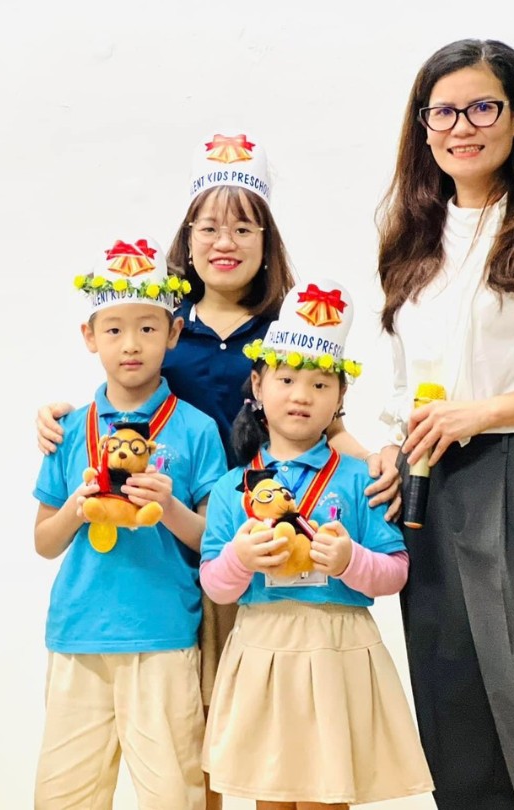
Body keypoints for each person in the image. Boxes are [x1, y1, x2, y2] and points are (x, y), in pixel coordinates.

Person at [34, 132, 401, 807]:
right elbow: (120, 399)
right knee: (198, 735)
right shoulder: (163, 323)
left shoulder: (283, 327)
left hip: (268, 545)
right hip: (179, 559)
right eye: (208, 227)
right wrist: (58, 416)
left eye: (243, 227)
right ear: (187, 238)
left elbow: (326, 422)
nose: (224, 241)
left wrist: (374, 455)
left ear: (267, 240)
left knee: (265, 732)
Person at [375, 38, 514, 809]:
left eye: (482, 107)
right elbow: (405, 383)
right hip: (426, 482)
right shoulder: (413, 236)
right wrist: (391, 444)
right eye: (443, 112)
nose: (461, 126)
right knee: (451, 705)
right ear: (423, 126)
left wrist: (484, 411)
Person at [199, 278, 433, 809]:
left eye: (321, 384)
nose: (301, 395)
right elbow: (216, 585)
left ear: (340, 398)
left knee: (329, 794)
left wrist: (351, 560)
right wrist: (240, 558)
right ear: (257, 385)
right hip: (263, 650)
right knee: (269, 792)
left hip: (336, 651)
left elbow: (396, 570)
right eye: (285, 379)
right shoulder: (233, 487)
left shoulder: (362, 479)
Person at [32, 236, 226, 810]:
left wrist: (170, 508)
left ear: (173, 333)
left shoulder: (195, 429)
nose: (131, 344)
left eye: (147, 328)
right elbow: (43, 543)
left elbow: (213, 542)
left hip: (164, 634)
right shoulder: (69, 429)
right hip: (77, 634)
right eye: (114, 329)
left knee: (173, 795)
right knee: (64, 797)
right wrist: (77, 505)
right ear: (90, 337)